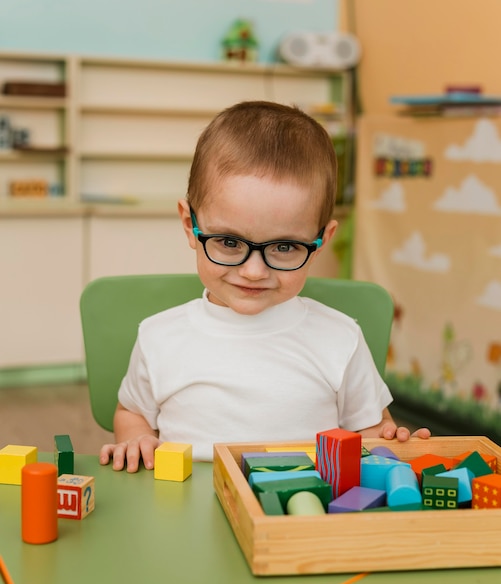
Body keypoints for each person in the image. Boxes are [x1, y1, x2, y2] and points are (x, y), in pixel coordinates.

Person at [100, 101, 430, 472]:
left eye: (285, 247)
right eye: (228, 242)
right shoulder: (159, 336)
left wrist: (391, 443)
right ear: (188, 224)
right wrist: (135, 439)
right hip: (186, 509)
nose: (254, 271)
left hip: (301, 511)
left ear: (321, 239)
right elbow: (132, 411)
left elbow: (370, 430)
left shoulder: (341, 338)